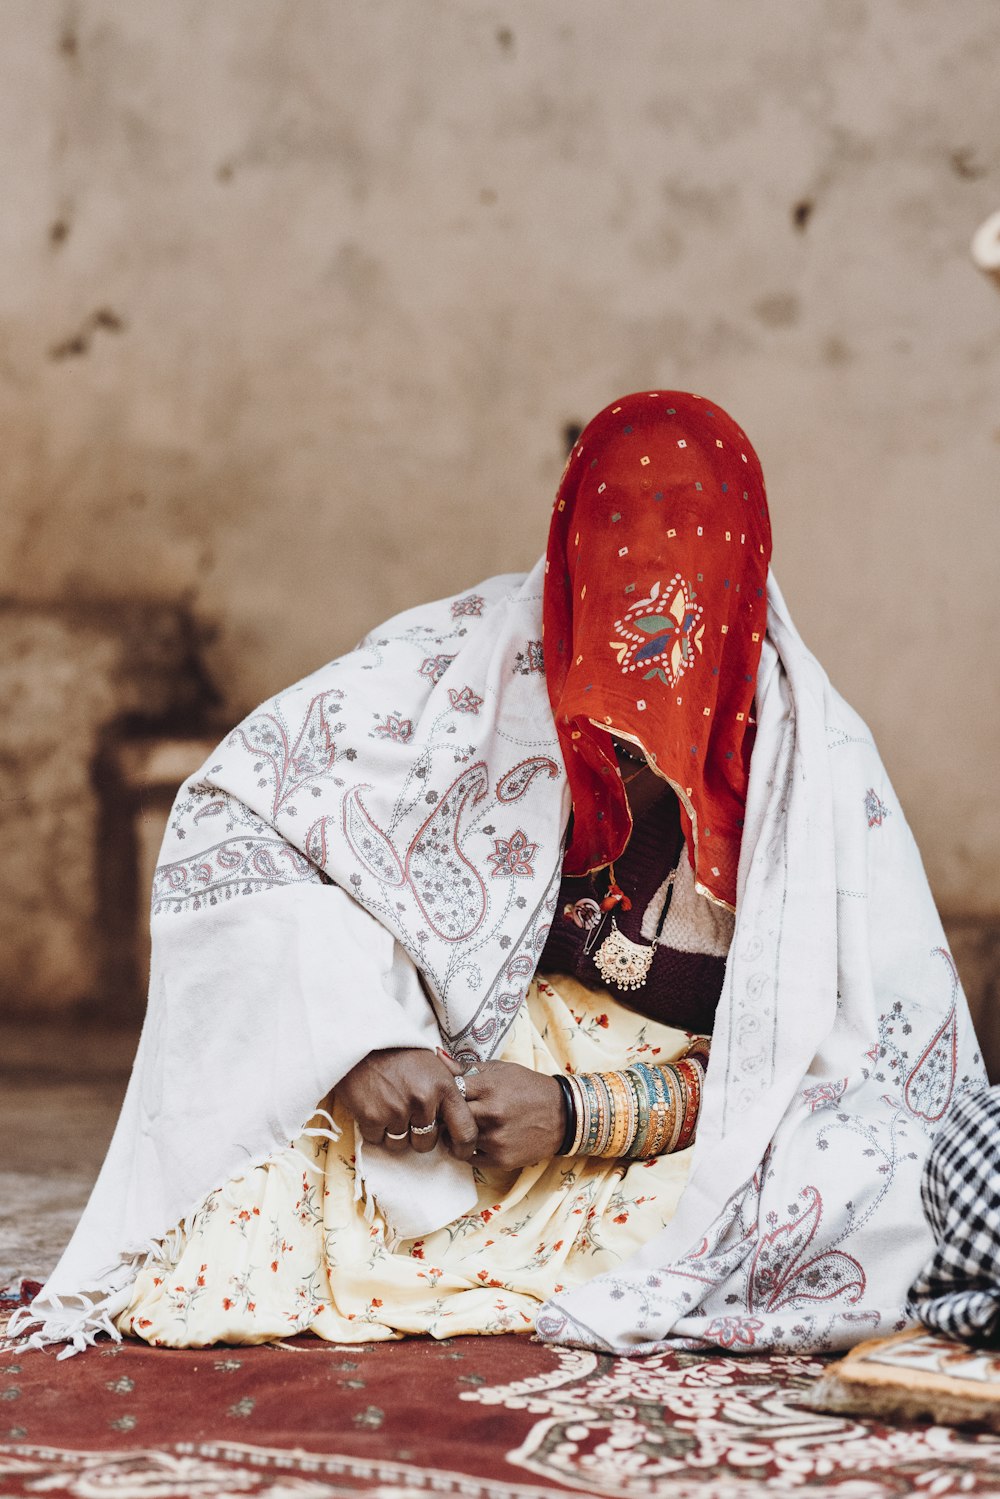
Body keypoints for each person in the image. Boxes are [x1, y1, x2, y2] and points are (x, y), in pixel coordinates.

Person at [12, 391, 984, 1358]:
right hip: (446, 1099)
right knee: (246, 1192)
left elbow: (832, 1075)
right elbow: (240, 816)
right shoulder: (460, 674)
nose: (629, 741)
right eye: (602, 688)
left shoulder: (810, 774)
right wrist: (365, 1040)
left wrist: (577, 1113)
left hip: (670, 1143)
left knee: (843, 1201)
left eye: (666, 706)